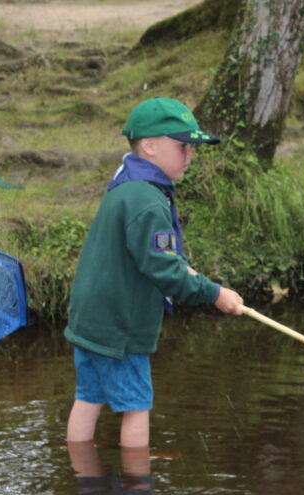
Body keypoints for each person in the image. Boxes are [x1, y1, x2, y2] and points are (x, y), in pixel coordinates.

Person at [64, 96, 244, 449]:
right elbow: (162, 269)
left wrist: (180, 266)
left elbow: (145, 253)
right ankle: (137, 489)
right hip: (121, 327)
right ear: (149, 146)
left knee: (88, 397)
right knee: (136, 406)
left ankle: (83, 478)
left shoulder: (126, 186)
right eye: (183, 146)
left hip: (91, 319)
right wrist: (214, 293)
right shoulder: (147, 200)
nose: (190, 155)